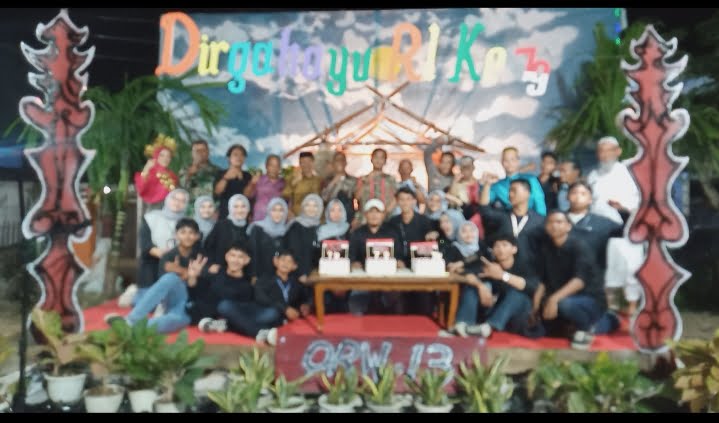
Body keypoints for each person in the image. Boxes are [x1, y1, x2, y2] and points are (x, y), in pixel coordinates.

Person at [533, 210, 613, 350]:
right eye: (550, 222)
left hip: (589, 299)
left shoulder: (579, 247)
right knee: (540, 328)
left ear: (568, 226)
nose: (554, 226)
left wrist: (553, 299)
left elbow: (579, 281)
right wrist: (534, 308)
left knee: (564, 305)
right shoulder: (546, 249)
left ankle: (593, 326)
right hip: (563, 298)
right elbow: (543, 281)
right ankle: (579, 326)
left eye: (559, 222)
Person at [106, 218, 203, 334]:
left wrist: (183, 272)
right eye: (183, 232)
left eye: (191, 233)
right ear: (176, 235)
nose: (187, 236)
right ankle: (131, 320)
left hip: (188, 309)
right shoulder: (168, 256)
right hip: (171, 301)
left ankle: (127, 328)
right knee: (170, 277)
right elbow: (164, 285)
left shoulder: (202, 256)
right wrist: (184, 274)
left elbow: (200, 284)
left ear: (197, 236)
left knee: (170, 321)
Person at [586, 136, 642, 315]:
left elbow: (638, 200)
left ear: (618, 152)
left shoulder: (628, 173)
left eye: (608, 150)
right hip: (598, 229)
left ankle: (632, 306)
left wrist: (623, 207)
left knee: (630, 266)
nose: (604, 155)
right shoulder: (593, 175)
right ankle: (609, 307)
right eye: (600, 151)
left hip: (624, 227)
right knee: (606, 268)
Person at [456, 234, 538, 339]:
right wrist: (480, 286)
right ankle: (463, 324)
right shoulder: (490, 265)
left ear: (514, 249)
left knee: (517, 294)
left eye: (504, 245)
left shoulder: (524, 265)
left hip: (520, 313)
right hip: (495, 308)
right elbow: (466, 273)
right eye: (497, 246)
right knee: (473, 287)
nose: (500, 249)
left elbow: (531, 287)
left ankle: (489, 327)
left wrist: (502, 275)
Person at [119, 188, 189, 308]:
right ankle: (134, 293)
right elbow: (146, 245)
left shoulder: (188, 222)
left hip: (177, 265)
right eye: (174, 199)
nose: (177, 203)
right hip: (152, 264)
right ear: (167, 199)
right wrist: (165, 254)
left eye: (182, 201)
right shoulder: (151, 218)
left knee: (173, 303)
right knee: (149, 305)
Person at [347, 199, 404, 315]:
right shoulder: (357, 233)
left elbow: (399, 255)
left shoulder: (392, 232)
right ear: (365, 214)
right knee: (356, 305)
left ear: (383, 215)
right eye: (371, 212)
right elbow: (351, 256)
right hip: (364, 277)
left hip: (388, 276)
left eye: (377, 212)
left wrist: (399, 262)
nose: (374, 215)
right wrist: (354, 263)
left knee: (395, 297)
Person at [479, 176, 545, 267]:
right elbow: (484, 210)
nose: (510, 194)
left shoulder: (539, 220)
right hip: (503, 267)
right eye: (509, 191)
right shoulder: (503, 216)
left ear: (527, 193)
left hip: (529, 268)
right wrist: (487, 185)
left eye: (514, 190)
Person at [389, 187, 435, 315]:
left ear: (414, 201)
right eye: (402, 199)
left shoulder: (425, 221)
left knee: (424, 301)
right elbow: (388, 245)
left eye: (408, 199)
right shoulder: (392, 222)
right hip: (398, 266)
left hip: (420, 266)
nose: (405, 203)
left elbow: (441, 242)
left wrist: (436, 237)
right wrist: (396, 260)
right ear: (397, 201)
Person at [252, 249, 312, 346]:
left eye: (289, 261)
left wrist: (305, 305)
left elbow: (305, 297)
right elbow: (260, 297)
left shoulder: (296, 283)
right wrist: (284, 309)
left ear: (294, 266)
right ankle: (266, 331)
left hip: (286, 317)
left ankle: (268, 331)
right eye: (283, 260)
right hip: (268, 312)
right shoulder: (265, 279)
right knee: (272, 313)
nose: (285, 263)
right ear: (276, 261)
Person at [191, 243, 253, 334]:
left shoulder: (246, 286)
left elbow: (239, 312)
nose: (235, 260)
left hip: (222, 321)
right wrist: (193, 276)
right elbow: (196, 292)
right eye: (233, 255)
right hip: (198, 315)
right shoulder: (216, 271)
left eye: (240, 257)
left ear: (247, 260)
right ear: (226, 256)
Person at [487, 147, 547, 216]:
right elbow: (485, 204)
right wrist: (487, 184)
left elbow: (539, 201)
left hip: (530, 219)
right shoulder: (497, 185)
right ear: (501, 162)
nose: (509, 163)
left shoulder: (530, 179)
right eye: (506, 160)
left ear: (518, 161)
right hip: (507, 220)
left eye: (512, 159)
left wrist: (541, 220)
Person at [203, 194, 251, 270]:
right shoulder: (221, 225)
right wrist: (211, 264)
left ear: (248, 209)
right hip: (219, 270)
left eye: (243, 206)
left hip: (242, 272)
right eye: (236, 207)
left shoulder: (250, 229)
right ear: (230, 208)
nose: (240, 210)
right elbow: (208, 247)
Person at [284, 194, 324, 284]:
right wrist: (301, 273)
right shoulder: (296, 226)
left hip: (315, 275)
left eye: (315, 206)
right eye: (308, 205)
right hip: (298, 275)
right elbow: (294, 251)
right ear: (303, 207)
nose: (311, 209)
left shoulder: (320, 228)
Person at [247, 198, 290, 280]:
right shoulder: (257, 228)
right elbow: (253, 253)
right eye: (274, 210)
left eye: (281, 210)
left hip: (279, 278)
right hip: (260, 277)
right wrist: (253, 275)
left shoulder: (286, 231)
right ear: (268, 211)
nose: (277, 213)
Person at [355, 148, 398, 225]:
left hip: (386, 218)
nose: (378, 160)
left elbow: (396, 198)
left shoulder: (391, 179)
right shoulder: (363, 178)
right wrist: (367, 182)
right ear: (371, 159)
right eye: (376, 157)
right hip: (365, 219)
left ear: (385, 161)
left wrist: (385, 212)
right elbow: (357, 197)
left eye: (381, 158)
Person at [134, 134, 179, 205]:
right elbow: (141, 188)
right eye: (162, 155)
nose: (165, 159)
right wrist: (146, 169)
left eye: (168, 156)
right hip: (154, 207)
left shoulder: (172, 175)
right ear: (156, 156)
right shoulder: (149, 173)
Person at [447, 156, 483, 238]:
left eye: (468, 166)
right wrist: (454, 182)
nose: (465, 169)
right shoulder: (457, 184)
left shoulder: (480, 183)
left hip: (478, 221)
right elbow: (450, 201)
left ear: (473, 168)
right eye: (463, 167)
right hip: (462, 220)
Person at [180, 139, 220, 212]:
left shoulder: (217, 171)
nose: (200, 153)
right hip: (190, 210)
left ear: (208, 152)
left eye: (203, 150)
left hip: (210, 210)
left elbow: (220, 194)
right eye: (197, 151)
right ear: (192, 153)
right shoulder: (185, 169)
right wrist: (190, 173)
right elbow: (180, 189)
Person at [214, 144, 253, 219]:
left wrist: (252, 183)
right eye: (235, 154)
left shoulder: (247, 175)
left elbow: (248, 195)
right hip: (225, 213)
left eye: (242, 155)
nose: (239, 157)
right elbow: (217, 192)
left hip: (242, 214)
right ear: (229, 158)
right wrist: (226, 178)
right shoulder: (221, 173)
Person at [245, 154, 286, 222]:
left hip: (277, 221)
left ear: (280, 168)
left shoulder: (284, 183)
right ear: (266, 166)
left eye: (277, 166)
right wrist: (252, 183)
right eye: (271, 165)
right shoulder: (258, 180)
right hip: (259, 220)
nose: (274, 168)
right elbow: (247, 195)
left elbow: (288, 202)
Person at [282, 151, 322, 218]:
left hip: (315, 216)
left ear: (313, 162)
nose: (306, 165)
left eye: (309, 161)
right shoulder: (292, 178)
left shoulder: (319, 180)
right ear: (300, 164)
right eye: (303, 162)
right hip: (297, 217)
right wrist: (294, 183)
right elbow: (284, 197)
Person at [321, 152, 357, 225]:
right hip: (331, 219)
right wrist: (334, 182)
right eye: (337, 160)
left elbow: (358, 199)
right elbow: (323, 198)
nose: (340, 162)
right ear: (333, 163)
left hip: (349, 218)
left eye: (342, 160)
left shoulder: (353, 180)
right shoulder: (326, 180)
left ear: (346, 163)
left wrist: (357, 217)